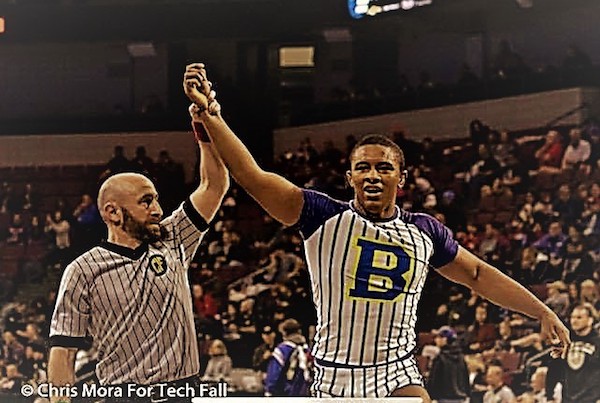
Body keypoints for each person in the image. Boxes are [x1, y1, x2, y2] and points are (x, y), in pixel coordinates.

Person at [183, 63, 570, 400]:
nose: (372, 174)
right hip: (335, 377)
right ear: (349, 177)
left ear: (401, 178)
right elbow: (252, 176)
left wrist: (541, 310)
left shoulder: (424, 231)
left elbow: (477, 274)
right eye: (363, 167)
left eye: (384, 168)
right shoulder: (321, 215)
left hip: (397, 374)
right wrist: (210, 114)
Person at [47, 104, 230, 403]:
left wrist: (203, 124)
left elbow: (214, 184)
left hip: (183, 392)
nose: (157, 210)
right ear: (113, 213)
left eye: (156, 200)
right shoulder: (83, 270)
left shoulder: (172, 238)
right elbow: (63, 350)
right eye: (146, 202)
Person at [556, 303, 600, 403]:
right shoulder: (566, 342)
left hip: (592, 398)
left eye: (579, 317)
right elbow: (555, 368)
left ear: (590, 320)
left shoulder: (598, 342)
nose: (574, 321)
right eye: (572, 317)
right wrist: (550, 395)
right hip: (568, 399)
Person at [264, 318, 312, 397]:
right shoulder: (307, 350)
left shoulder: (282, 350)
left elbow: (274, 373)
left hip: (285, 394)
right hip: (305, 393)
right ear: (299, 331)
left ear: (284, 333)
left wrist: (269, 391)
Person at [426, 326, 470, 403]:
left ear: (445, 339)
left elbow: (434, 380)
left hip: (443, 399)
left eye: (438, 337)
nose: (436, 340)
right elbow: (466, 379)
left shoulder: (440, 358)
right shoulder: (461, 358)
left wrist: (432, 397)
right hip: (461, 399)